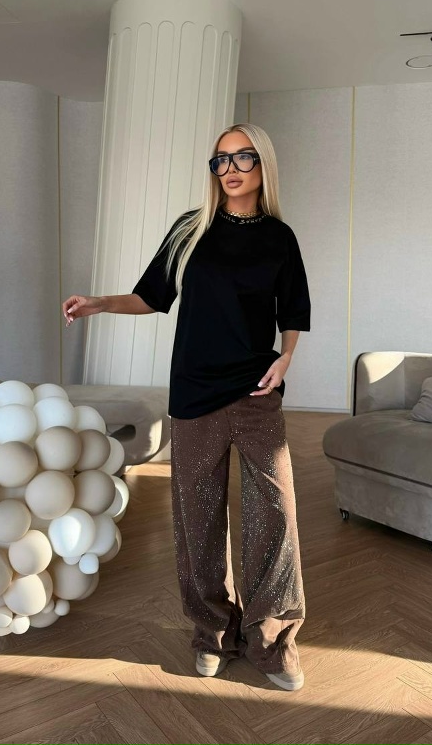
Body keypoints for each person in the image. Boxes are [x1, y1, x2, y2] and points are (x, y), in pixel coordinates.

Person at [63, 123, 310, 691]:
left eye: (242, 158)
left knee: (275, 512)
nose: (230, 169)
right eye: (220, 160)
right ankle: (212, 632)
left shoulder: (280, 237)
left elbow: (294, 310)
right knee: (197, 516)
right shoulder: (190, 229)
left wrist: (286, 359)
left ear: (263, 163)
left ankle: (272, 640)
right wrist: (99, 303)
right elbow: (151, 296)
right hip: (195, 392)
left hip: (256, 392)